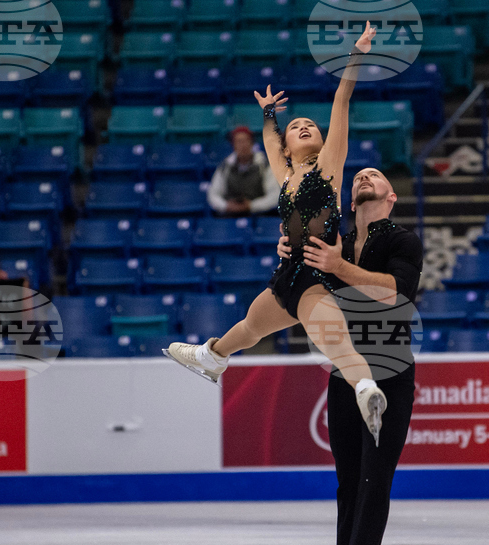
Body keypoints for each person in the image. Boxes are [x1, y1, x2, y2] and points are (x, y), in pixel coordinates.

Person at [166, 23, 389, 443]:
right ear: (287, 146)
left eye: (311, 125)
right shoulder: (284, 175)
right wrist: (269, 114)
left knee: (337, 345)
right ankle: (212, 356)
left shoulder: (330, 165)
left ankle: (367, 390)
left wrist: (357, 54)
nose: (304, 126)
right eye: (296, 126)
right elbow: (270, 139)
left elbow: (341, 100)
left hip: (317, 276)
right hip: (288, 274)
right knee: (251, 326)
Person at [289, 166, 422, 545]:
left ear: (390, 197)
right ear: (350, 199)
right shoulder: (335, 242)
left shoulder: (403, 241)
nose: (364, 175)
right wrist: (289, 250)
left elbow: (395, 294)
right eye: (359, 175)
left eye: (375, 175)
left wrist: (337, 265)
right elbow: (298, 284)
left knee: (374, 480)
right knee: (349, 485)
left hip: (390, 374)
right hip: (346, 375)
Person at [206, 125, 281, 216]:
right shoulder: (225, 166)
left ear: (252, 143)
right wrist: (226, 206)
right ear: (233, 145)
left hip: (259, 215)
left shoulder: (264, 165)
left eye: (246, 141)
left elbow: (274, 195)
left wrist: (252, 206)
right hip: (230, 216)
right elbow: (213, 194)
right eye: (239, 142)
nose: (243, 145)